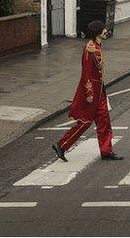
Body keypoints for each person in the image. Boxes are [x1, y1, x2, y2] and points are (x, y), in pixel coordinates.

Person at [52, 21, 123, 162]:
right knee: (85, 122)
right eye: (103, 30)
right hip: (90, 92)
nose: (106, 31)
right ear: (97, 32)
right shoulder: (90, 49)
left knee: (104, 120)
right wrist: (89, 93)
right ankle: (62, 145)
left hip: (99, 91)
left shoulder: (97, 46)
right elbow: (87, 73)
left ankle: (107, 151)